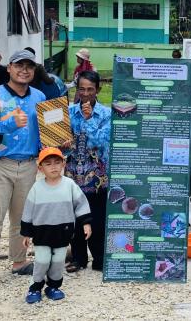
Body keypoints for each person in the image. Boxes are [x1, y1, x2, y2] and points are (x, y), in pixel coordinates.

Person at [0, 49, 46, 293]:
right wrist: (9, 123)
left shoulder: (39, 96)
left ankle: (19, 261)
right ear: (9, 68)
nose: (24, 70)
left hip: (28, 164)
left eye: (29, 66)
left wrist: (57, 142)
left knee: (22, 218)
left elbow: (46, 130)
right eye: (19, 65)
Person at [21, 147, 92, 304]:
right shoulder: (36, 188)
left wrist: (86, 223)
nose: (53, 166)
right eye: (48, 163)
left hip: (63, 232)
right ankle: (35, 287)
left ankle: (53, 286)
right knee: (42, 260)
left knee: (59, 260)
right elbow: (28, 211)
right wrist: (26, 233)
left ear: (63, 164)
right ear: (40, 168)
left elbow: (81, 204)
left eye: (57, 162)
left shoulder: (70, 185)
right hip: (41, 233)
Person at [65, 70, 111, 272]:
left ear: (98, 90)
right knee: (74, 218)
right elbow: (59, 143)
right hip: (73, 175)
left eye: (90, 89)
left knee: (97, 218)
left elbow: (100, 142)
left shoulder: (107, 114)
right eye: (81, 89)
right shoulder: (67, 112)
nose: (85, 94)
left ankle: (99, 258)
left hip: (97, 177)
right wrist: (63, 144)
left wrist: (90, 118)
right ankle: (78, 258)